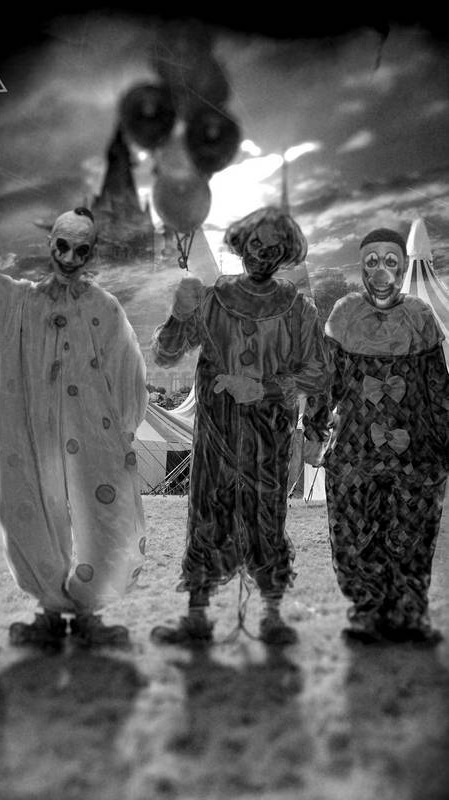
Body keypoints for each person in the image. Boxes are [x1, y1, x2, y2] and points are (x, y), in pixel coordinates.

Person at [0, 181, 148, 648]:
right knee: (32, 511)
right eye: (63, 246)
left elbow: (127, 370)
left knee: (102, 514)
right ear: (51, 245)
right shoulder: (22, 304)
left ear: (91, 253)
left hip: (94, 434)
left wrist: (122, 429)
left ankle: (87, 613)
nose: (70, 258)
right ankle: (49, 609)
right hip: (33, 435)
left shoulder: (105, 308)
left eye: (81, 250)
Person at [150, 206, 330, 645]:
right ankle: (197, 615)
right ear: (241, 244)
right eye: (255, 244)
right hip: (216, 437)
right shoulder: (212, 300)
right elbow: (165, 355)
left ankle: (271, 613)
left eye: (273, 247)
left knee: (267, 519)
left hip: (269, 440)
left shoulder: (299, 310)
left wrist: (265, 390)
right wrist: (178, 314)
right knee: (207, 515)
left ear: (285, 252)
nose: (263, 254)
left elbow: (319, 373)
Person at [324, 228, 449, 645]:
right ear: (361, 267)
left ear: (403, 265)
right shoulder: (344, 314)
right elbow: (326, 383)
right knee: (353, 535)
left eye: (391, 261)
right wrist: (312, 430)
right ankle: (367, 614)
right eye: (372, 261)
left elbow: (438, 388)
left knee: (413, 535)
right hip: (354, 451)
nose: (381, 271)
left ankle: (408, 616)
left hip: (416, 453)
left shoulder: (421, 316)